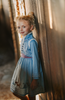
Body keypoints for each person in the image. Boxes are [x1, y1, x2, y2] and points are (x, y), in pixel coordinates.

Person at [10, 12, 45, 100]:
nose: (21, 29)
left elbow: (36, 60)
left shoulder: (32, 42)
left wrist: (35, 78)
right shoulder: (24, 38)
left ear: (31, 27)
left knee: (31, 92)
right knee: (16, 91)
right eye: (19, 27)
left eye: (24, 26)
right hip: (23, 68)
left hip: (30, 69)